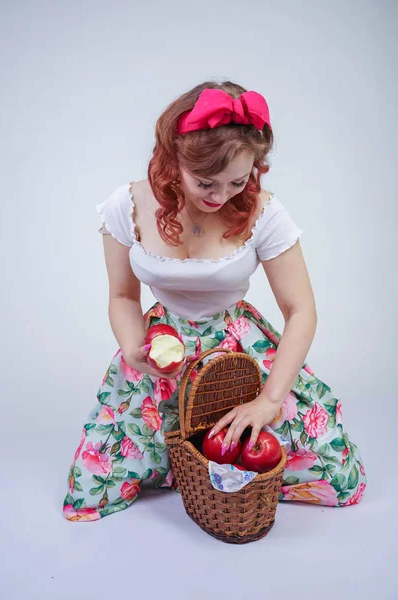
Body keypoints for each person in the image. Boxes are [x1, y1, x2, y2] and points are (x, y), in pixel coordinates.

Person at [63, 81, 367, 522]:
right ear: (173, 158)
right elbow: (122, 295)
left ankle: (219, 467)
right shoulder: (126, 205)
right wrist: (133, 348)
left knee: (341, 478)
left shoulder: (264, 212)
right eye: (205, 181)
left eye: (237, 181)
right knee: (89, 494)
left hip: (240, 352)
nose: (220, 196)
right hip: (161, 353)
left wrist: (268, 401)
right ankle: (180, 466)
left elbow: (301, 311)